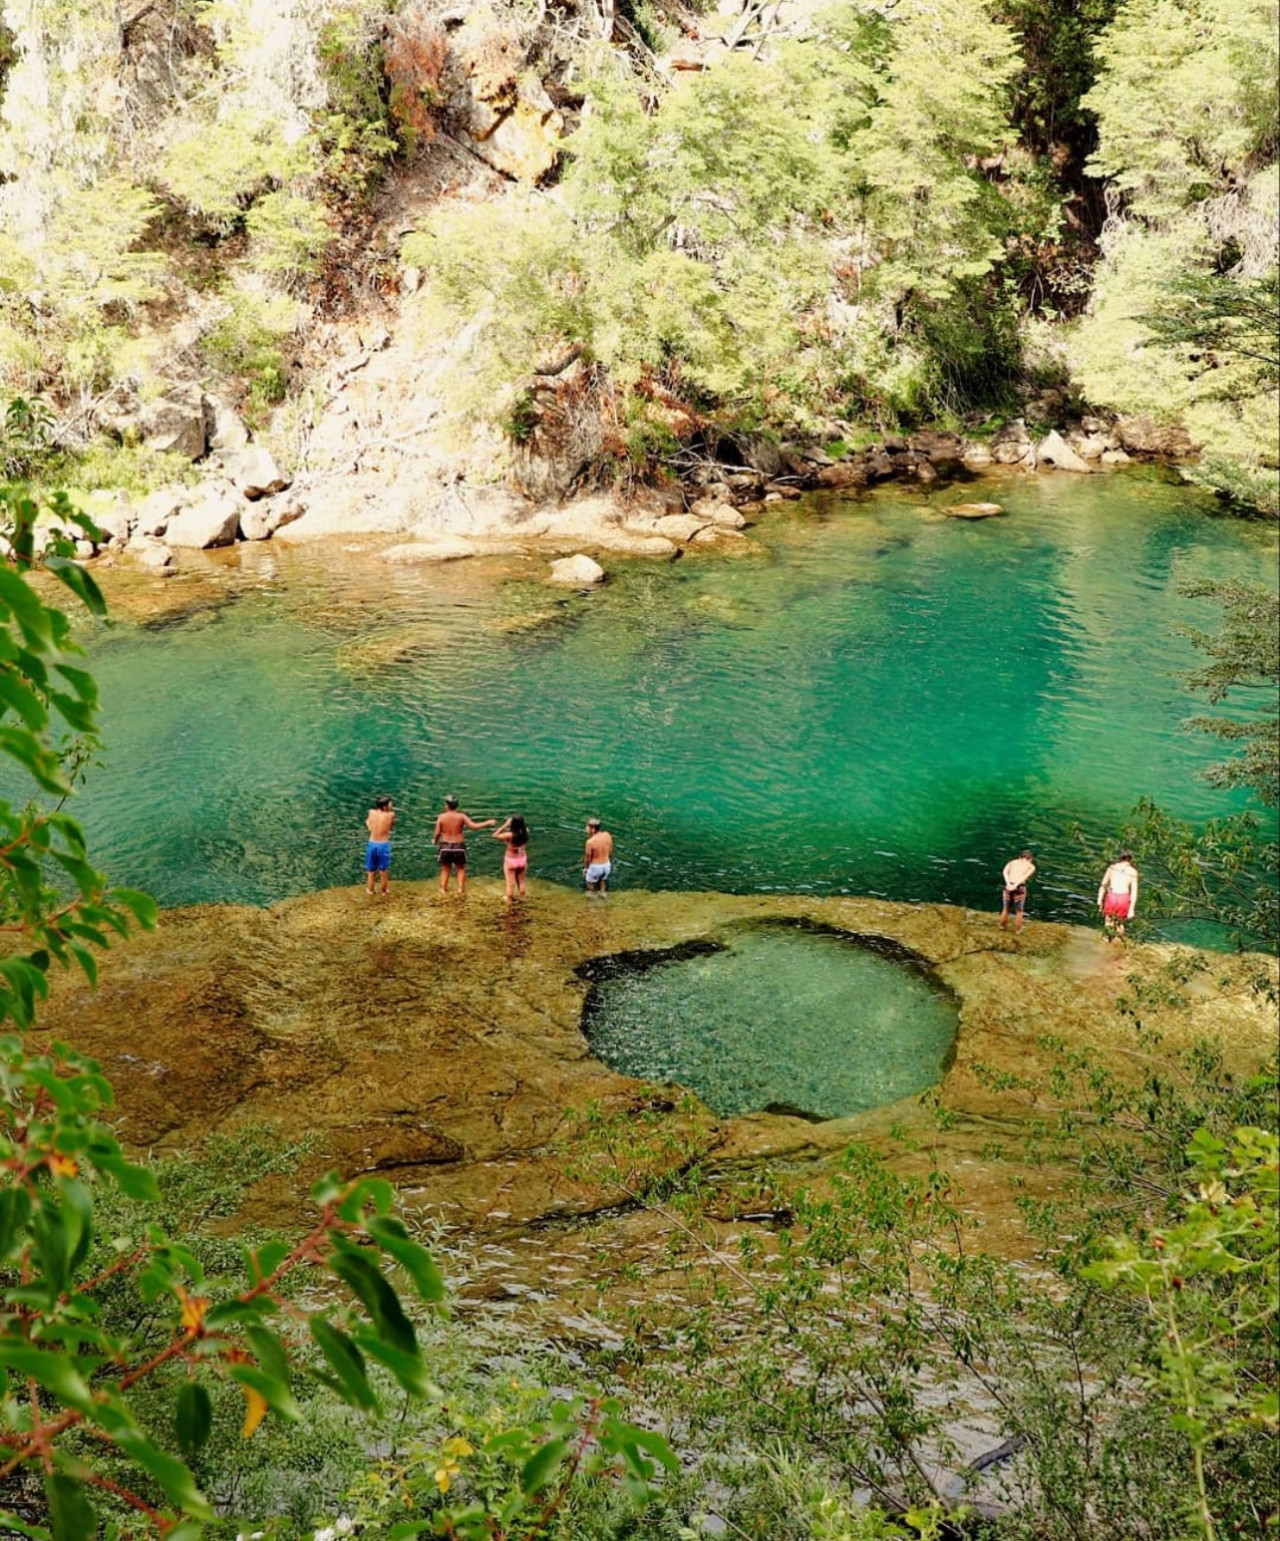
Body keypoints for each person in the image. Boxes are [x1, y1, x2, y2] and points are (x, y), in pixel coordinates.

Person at [433, 794, 495, 895]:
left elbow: (437, 833)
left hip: (445, 846)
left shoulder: (441, 817)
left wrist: (435, 841)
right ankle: (460, 889)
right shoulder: (461, 816)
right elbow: (474, 826)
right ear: (456, 806)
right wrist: (487, 823)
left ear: (446, 805)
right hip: (458, 846)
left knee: (445, 868)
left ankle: (443, 889)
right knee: (460, 868)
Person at [1097, 851, 1140, 938]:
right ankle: (1119, 942)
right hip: (1123, 898)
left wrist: (1099, 900)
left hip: (1112, 896)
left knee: (1108, 921)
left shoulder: (1112, 868)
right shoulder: (1133, 872)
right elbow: (1134, 892)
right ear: (1130, 860)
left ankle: (1107, 941)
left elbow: (1103, 885)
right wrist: (1132, 909)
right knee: (1120, 923)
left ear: (1120, 858)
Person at [493, 814, 530, 902]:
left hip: (511, 860)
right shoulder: (527, 831)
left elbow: (495, 835)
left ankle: (509, 900)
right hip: (522, 859)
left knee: (510, 884)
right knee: (521, 881)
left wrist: (505, 825)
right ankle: (522, 898)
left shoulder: (509, 835)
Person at [364, 795, 395, 895]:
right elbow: (390, 828)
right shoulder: (391, 815)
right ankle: (384, 891)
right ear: (385, 806)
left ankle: (370, 890)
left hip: (372, 843)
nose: (392, 805)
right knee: (383, 871)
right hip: (383, 844)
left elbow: (368, 824)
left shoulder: (371, 812)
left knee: (371, 870)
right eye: (390, 803)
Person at [999, 849, 1036, 932]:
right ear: (1030, 859)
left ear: (1020, 857)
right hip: (1019, 887)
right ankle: (1017, 930)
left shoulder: (1012, 862)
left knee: (1006, 909)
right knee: (1019, 911)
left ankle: (1002, 926)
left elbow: (1004, 872)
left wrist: (1008, 884)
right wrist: (1015, 885)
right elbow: (1024, 877)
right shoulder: (1031, 866)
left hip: (1008, 886)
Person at [583, 817, 613, 894]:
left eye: (587, 827)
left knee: (590, 885)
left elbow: (588, 858)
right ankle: (603, 894)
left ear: (592, 829)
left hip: (595, 867)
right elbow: (610, 850)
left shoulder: (590, 842)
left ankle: (593, 898)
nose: (586, 828)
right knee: (603, 881)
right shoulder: (607, 835)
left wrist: (586, 869)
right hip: (606, 865)